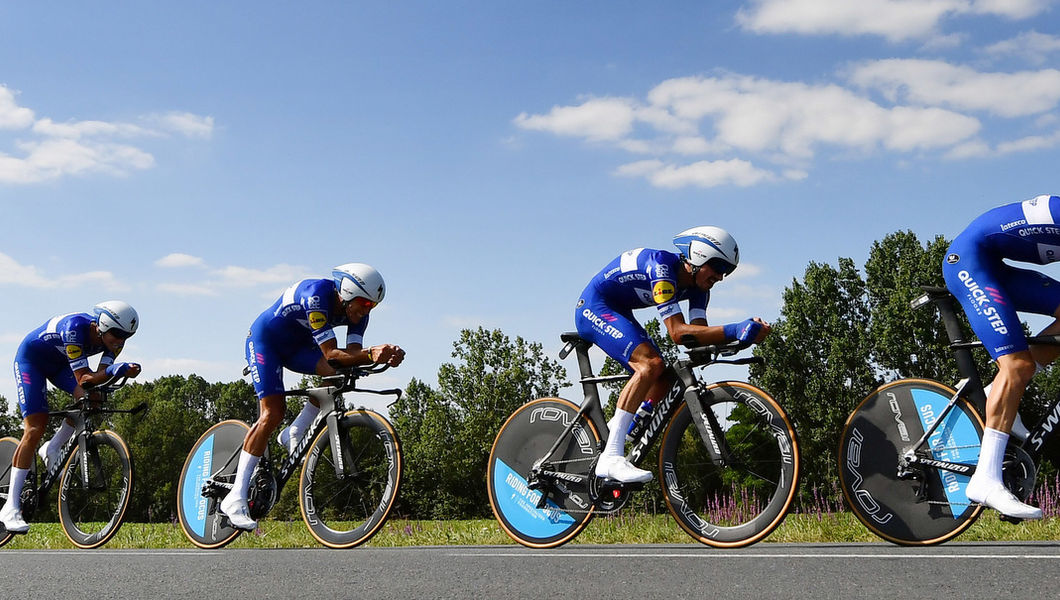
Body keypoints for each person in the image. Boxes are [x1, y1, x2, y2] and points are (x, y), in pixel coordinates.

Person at [575, 226, 770, 483]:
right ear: (699, 257)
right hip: (595, 307)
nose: (721, 277)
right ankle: (610, 456)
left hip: (619, 309)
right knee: (649, 366)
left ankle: (614, 435)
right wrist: (735, 329)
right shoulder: (662, 268)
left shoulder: (700, 289)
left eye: (727, 271)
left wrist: (744, 336)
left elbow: (697, 336)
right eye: (719, 267)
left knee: (664, 378)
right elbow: (678, 333)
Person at [220, 263, 405, 530]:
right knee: (273, 412)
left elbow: (350, 356)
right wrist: (370, 353)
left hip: (299, 346)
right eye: (364, 304)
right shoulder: (316, 295)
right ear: (347, 293)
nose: (367, 311)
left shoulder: (359, 311)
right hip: (266, 341)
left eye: (372, 307)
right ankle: (235, 497)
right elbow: (331, 353)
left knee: (339, 373)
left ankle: (295, 430)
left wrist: (381, 356)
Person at [942, 194, 1060, 520]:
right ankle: (986, 479)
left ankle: (997, 391)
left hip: (995, 267)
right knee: (1016, 365)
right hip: (968, 263)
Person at [1, 301, 141, 534]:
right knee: (36, 427)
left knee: (93, 399)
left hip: (59, 365)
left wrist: (114, 373)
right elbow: (85, 378)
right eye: (117, 334)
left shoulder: (115, 340)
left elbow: (98, 380)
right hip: (31, 361)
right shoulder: (74, 328)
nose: (120, 341)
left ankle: (52, 448)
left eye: (127, 336)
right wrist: (115, 370)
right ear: (102, 326)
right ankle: (10, 507)